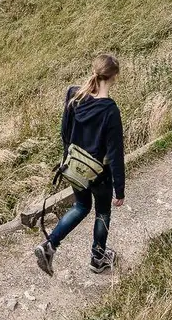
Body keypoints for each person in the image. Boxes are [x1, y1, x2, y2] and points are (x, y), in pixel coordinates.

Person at [33, 53, 127, 277]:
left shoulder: (74, 95)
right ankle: (97, 258)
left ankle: (49, 245)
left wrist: (68, 158)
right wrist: (120, 190)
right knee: (102, 212)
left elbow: (64, 132)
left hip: (75, 165)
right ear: (114, 77)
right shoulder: (110, 111)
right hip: (99, 174)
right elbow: (115, 154)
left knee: (81, 206)